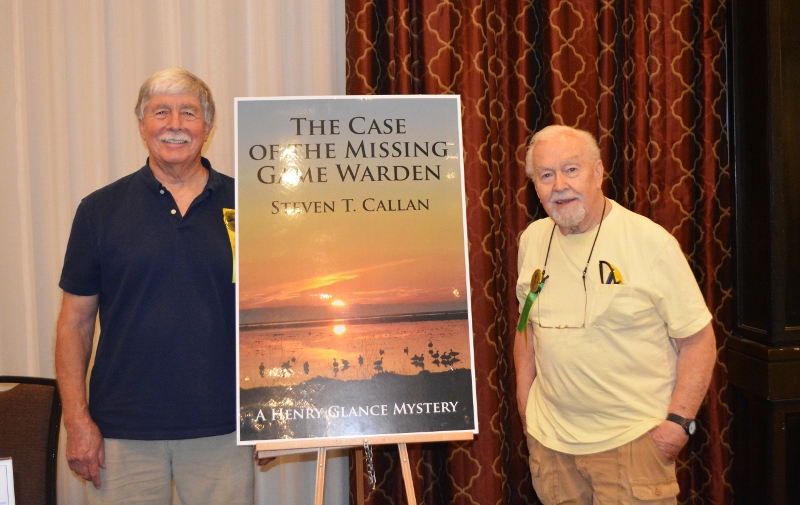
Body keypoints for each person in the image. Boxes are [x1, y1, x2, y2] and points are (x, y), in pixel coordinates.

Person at [55, 68, 254, 504]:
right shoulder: (99, 211)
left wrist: (272, 415)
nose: (176, 124)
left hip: (223, 429)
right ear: (142, 125)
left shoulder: (250, 207)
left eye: (189, 112)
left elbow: (267, 314)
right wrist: (76, 420)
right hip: (121, 435)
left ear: (208, 125)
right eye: (161, 112)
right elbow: (74, 325)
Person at [513, 125, 716, 504]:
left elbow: (698, 339)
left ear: (598, 172)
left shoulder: (650, 242)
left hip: (632, 445)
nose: (559, 185)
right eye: (545, 175)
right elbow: (526, 325)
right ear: (534, 185)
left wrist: (677, 426)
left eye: (571, 170)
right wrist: (526, 408)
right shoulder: (532, 240)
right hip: (553, 449)